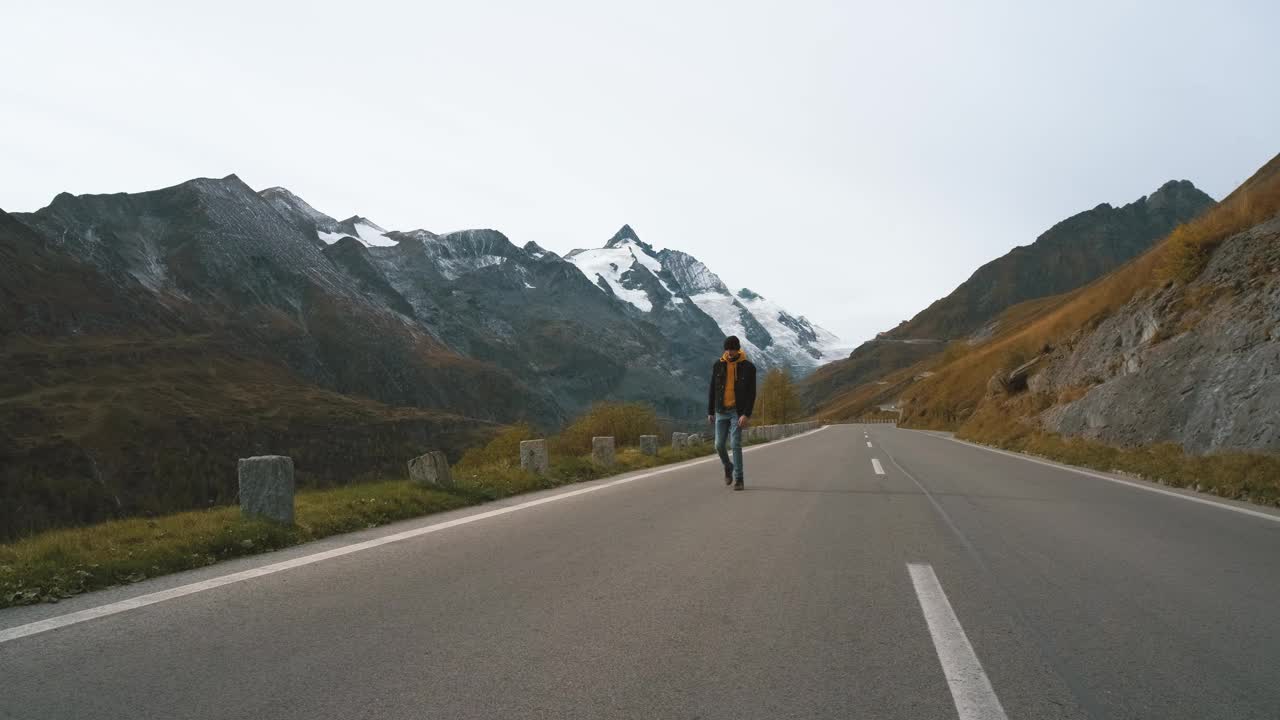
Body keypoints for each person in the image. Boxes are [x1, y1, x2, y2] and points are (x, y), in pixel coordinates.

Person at [708, 335, 756, 491]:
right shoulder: (718, 365)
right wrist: (710, 411)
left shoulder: (748, 367)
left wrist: (746, 414)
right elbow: (712, 389)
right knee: (718, 445)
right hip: (721, 410)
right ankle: (728, 466)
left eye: (733, 349)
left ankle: (739, 479)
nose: (730, 352)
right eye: (727, 349)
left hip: (738, 411)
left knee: (735, 444)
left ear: (738, 349)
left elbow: (751, 393)